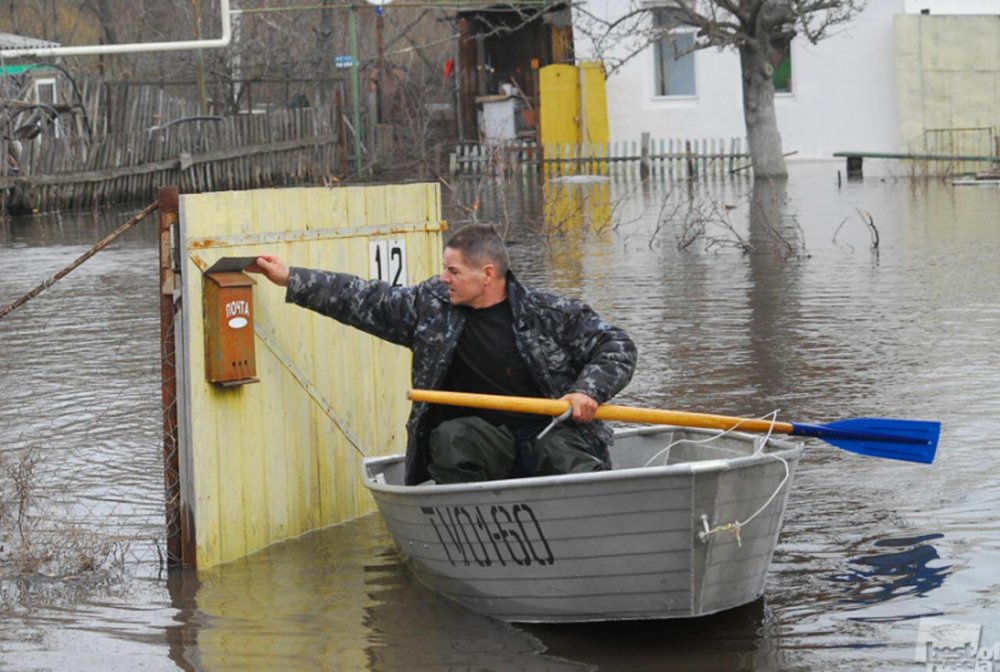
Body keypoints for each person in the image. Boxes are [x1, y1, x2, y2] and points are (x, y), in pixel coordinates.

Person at [247, 224, 636, 485]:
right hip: (478, 442)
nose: (443, 278)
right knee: (452, 439)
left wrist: (588, 391)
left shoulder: (550, 312)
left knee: (568, 457)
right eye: (444, 269)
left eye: (453, 270)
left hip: (549, 432)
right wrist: (291, 277)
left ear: (487, 274)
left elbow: (616, 346)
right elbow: (363, 297)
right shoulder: (429, 308)